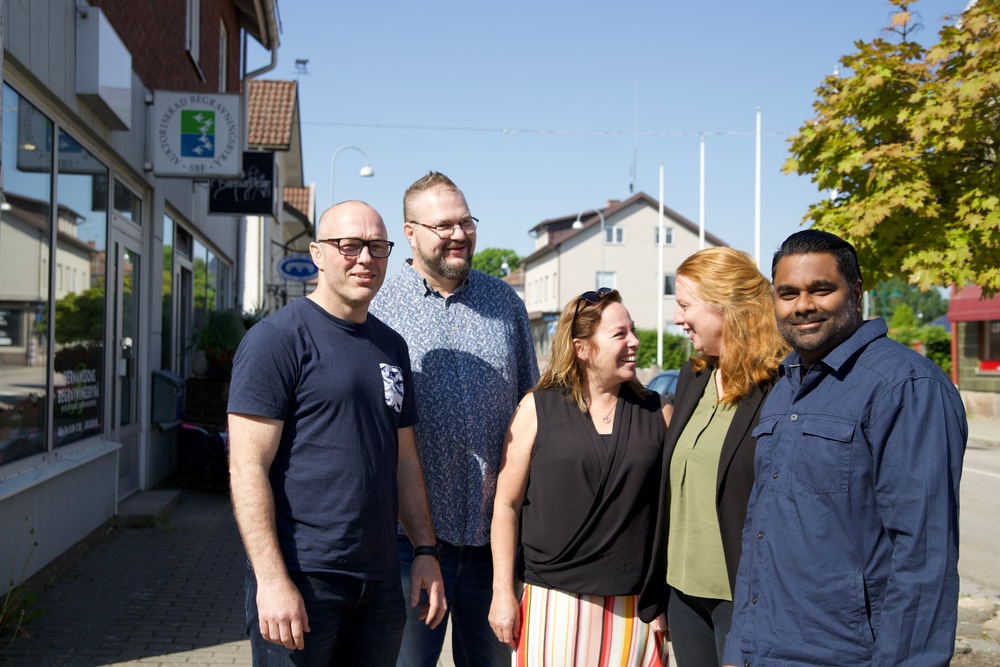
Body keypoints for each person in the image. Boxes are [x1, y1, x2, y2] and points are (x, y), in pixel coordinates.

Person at [722, 230, 967, 667]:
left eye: (821, 289)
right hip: (763, 649)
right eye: (788, 293)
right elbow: (760, 533)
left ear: (855, 292)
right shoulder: (785, 386)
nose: (803, 306)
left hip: (846, 655)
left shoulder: (905, 386)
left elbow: (924, 556)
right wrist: (739, 644)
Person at [228, 201, 446, 666]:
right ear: (318, 254)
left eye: (377, 246)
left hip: (380, 580)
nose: (365, 258)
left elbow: (404, 459)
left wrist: (425, 549)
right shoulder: (277, 339)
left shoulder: (391, 345)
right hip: (304, 579)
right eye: (349, 245)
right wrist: (271, 580)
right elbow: (247, 467)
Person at [369, 171, 538, 667]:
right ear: (410, 232)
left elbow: (532, 408)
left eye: (466, 221)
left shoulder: (504, 304)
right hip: (407, 544)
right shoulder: (380, 307)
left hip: (493, 546)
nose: (459, 234)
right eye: (444, 225)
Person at [490, 288, 671, 666]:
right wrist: (502, 592)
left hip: (633, 607)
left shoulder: (659, 412)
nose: (635, 342)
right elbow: (505, 506)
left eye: (633, 331)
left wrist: (664, 599)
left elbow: (673, 517)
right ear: (582, 348)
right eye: (620, 334)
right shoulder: (536, 409)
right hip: (551, 602)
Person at [638, 247, 788, 667]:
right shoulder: (695, 375)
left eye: (685, 305)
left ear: (728, 308)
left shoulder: (781, 383)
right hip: (683, 593)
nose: (676, 318)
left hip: (744, 599)